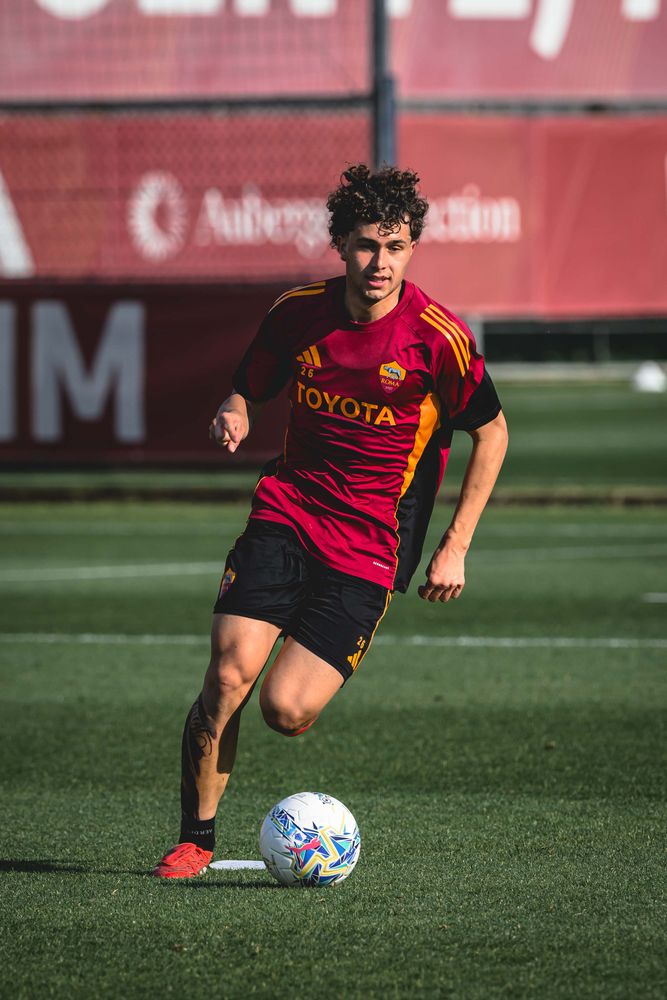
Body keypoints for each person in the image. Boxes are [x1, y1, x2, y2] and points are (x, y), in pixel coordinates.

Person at [152, 164, 508, 878]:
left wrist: (454, 546)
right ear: (340, 244)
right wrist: (235, 407)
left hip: (370, 546)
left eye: (396, 246)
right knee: (227, 679)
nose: (381, 263)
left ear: (412, 250)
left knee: (284, 711)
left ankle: (284, 696)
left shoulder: (437, 339)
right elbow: (247, 387)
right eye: (367, 245)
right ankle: (196, 836)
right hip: (286, 514)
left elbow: (492, 432)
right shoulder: (297, 313)